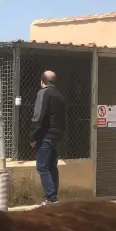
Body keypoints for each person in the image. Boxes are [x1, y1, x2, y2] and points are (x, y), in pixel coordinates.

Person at [30, 70, 67, 205]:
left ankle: (51, 198)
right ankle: (52, 197)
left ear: (42, 81)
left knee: (42, 167)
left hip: (45, 136)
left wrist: (33, 136)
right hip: (57, 136)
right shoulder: (60, 96)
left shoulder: (43, 93)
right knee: (52, 166)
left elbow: (39, 116)